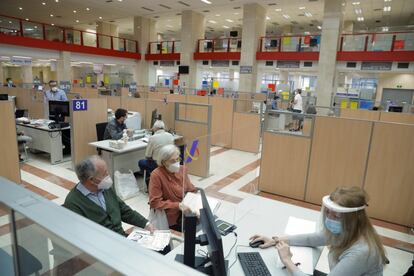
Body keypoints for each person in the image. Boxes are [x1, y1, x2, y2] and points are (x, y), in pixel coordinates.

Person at [250, 186, 387, 276]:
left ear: (353, 218)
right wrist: (277, 240)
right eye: (328, 212)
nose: (330, 218)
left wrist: (287, 260)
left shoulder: (362, 252)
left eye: (336, 216)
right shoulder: (350, 229)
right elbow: (315, 238)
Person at [63, 155, 155, 236]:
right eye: (105, 173)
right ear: (91, 180)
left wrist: (146, 224)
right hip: (102, 249)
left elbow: (124, 210)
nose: (108, 176)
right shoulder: (73, 203)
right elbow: (81, 236)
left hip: (121, 239)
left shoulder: (105, 188)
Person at [149, 145, 197, 232]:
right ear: (163, 162)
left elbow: (191, 189)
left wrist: (195, 200)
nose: (176, 163)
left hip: (187, 210)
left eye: (178, 159)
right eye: (172, 161)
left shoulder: (182, 169)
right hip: (171, 216)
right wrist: (178, 205)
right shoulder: (156, 175)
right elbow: (155, 202)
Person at [138, 120, 174, 187]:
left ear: (156, 128)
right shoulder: (170, 136)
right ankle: (158, 179)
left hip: (157, 164)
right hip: (168, 163)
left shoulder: (152, 138)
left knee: (141, 162)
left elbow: (147, 156)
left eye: (153, 127)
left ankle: (150, 183)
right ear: (163, 127)